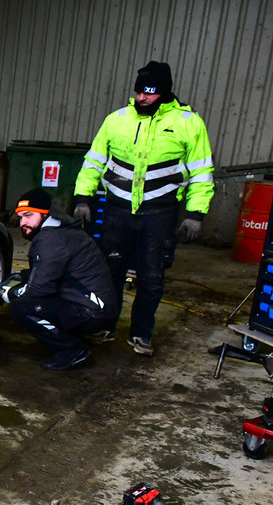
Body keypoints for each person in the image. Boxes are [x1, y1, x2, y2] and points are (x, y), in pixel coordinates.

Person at [73, 60, 214, 357]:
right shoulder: (117, 120)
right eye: (139, 92)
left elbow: (202, 173)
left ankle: (140, 334)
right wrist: (82, 198)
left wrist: (195, 214)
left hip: (159, 216)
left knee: (151, 278)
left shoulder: (189, 124)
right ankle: (105, 325)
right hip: (117, 212)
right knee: (109, 272)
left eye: (150, 93)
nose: (143, 99)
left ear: (164, 93)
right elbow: (94, 161)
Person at [4, 189, 119, 371]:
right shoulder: (63, 229)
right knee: (34, 298)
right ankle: (75, 335)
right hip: (96, 306)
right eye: (20, 218)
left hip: (90, 312)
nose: (23, 222)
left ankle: (73, 349)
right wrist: (26, 276)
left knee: (20, 308)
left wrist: (12, 292)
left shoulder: (51, 239)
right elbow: (53, 271)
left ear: (45, 214)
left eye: (28, 215)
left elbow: (39, 290)